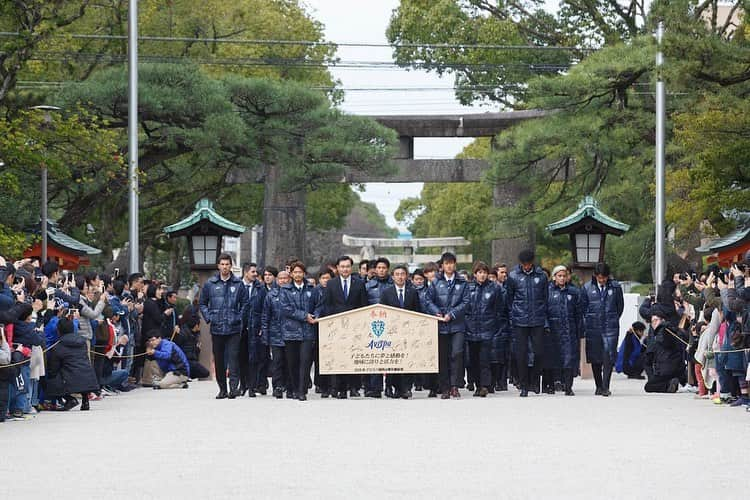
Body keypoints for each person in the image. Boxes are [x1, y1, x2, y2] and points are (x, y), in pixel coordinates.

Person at [199, 253, 250, 400]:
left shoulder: (238, 284)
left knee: (233, 359)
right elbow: (202, 303)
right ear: (218, 266)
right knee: (220, 360)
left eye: (227, 264)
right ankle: (222, 388)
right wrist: (209, 317)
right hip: (217, 327)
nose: (225, 267)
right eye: (222, 264)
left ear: (231, 266)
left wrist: (239, 318)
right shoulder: (210, 283)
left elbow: (245, 303)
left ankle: (234, 388)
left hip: (234, 328)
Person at [423, 252, 470, 399]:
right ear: (441, 266)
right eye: (446, 263)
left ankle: (455, 386)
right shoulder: (435, 282)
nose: (449, 266)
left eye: (451, 263)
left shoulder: (462, 282)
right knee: (442, 357)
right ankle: (444, 387)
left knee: (456, 354)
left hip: (457, 325)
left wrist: (453, 314)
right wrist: (437, 312)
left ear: (455, 265)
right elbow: (428, 300)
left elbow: (466, 301)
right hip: (441, 324)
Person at [322, 255, 368, 399]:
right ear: (337, 268)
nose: (345, 269)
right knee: (338, 356)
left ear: (351, 267)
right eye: (342, 267)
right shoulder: (331, 284)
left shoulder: (359, 283)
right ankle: (339, 387)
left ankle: (354, 387)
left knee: (353, 356)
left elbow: (363, 305)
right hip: (337, 326)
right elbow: (327, 305)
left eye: (347, 266)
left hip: (355, 327)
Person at [505, 249, 548, 397]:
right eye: (524, 264)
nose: (527, 267)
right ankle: (523, 385)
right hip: (520, 320)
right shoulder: (513, 276)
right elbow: (509, 299)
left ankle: (534, 380)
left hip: (537, 319)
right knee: (521, 354)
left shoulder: (542, 276)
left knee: (539, 352)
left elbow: (545, 298)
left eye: (529, 264)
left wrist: (543, 317)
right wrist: (514, 316)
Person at [580, 262, 624, 397]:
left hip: (610, 326)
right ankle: (598, 385)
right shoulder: (587, 288)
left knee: (608, 356)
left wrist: (613, 318)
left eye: (604, 277)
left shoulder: (616, 287)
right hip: (593, 326)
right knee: (595, 357)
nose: (602, 280)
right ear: (595, 276)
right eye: (600, 277)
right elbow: (583, 307)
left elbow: (619, 307)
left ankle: (606, 386)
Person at [279, 262, 321, 401]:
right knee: (292, 362)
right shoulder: (285, 290)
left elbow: (319, 305)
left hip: (308, 332)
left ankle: (302, 390)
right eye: (295, 272)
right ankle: (294, 388)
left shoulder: (311, 288)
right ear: (291, 274)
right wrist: (305, 316)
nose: (297, 275)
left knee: (305, 362)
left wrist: (316, 316)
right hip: (291, 331)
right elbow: (286, 309)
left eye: (300, 272)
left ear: (304, 274)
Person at [379, 264, 421, 399]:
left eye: (402, 274)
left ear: (407, 276)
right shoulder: (386, 292)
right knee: (393, 360)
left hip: (408, 332)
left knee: (407, 359)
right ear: (393, 277)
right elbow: (382, 312)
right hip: (392, 331)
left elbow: (417, 311)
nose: (400, 277)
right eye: (397, 274)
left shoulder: (413, 292)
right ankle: (391, 386)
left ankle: (406, 388)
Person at [464, 261, 502, 397]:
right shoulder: (468, 288)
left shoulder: (494, 288)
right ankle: (477, 385)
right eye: (479, 272)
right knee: (473, 359)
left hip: (487, 328)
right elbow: (464, 307)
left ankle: (485, 385)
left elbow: (499, 309)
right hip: (471, 328)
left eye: (485, 272)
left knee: (485, 359)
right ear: (475, 274)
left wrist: (494, 326)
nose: (482, 275)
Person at [45, 317, 99, 411]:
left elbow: (53, 368)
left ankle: (70, 399)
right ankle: (85, 400)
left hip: (71, 379)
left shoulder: (58, 345)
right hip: (88, 378)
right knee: (79, 369)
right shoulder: (82, 342)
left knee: (52, 378)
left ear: (59, 330)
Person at [546, 265, 583, 396]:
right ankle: (553, 384)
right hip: (553, 330)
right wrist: (546, 326)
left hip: (569, 330)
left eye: (564, 276)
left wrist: (580, 329)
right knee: (553, 358)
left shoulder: (574, 292)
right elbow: (544, 311)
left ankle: (568, 386)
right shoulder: (548, 291)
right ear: (554, 277)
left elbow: (579, 313)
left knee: (569, 358)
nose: (561, 278)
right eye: (559, 276)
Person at [364, 257, 393, 397]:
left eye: (384, 268)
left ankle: (390, 386)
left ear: (388, 269)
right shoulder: (368, 285)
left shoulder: (394, 284)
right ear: (375, 269)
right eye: (379, 268)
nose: (381, 270)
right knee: (375, 355)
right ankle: (375, 387)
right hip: (373, 324)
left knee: (391, 356)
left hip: (392, 324)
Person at [262, 270, 291, 398]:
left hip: (292, 333)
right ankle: (277, 386)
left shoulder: (294, 293)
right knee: (277, 361)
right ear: (277, 280)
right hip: (276, 333)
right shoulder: (271, 295)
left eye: (286, 278)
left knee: (290, 361)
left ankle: (290, 386)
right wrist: (265, 334)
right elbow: (265, 316)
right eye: (281, 279)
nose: (283, 281)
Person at [644, 307, 687, 393]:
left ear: (662, 320)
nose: (654, 323)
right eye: (652, 321)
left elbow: (666, 342)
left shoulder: (665, 331)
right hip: (672, 367)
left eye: (656, 320)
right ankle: (671, 383)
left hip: (667, 368)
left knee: (649, 387)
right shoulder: (661, 331)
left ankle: (668, 385)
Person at [240, 262, 267, 397]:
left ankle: (252, 386)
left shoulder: (260, 288)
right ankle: (242, 384)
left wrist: (262, 326)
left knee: (254, 357)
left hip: (255, 326)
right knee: (240, 356)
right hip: (239, 326)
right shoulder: (238, 286)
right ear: (245, 273)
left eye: (256, 272)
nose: (256, 274)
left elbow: (264, 309)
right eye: (253, 272)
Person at [174, 307, 210, 380]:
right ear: (196, 325)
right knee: (205, 372)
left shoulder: (192, 333)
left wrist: (197, 349)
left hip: (190, 360)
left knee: (204, 372)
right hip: (186, 361)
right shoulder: (184, 333)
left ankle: (187, 375)